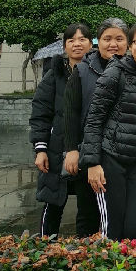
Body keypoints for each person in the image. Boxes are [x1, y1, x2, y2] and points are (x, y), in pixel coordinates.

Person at [81, 20, 136, 242]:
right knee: (113, 230)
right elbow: (94, 119)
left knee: (135, 229)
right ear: (130, 45)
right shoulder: (115, 73)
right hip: (111, 158)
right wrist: (92, 163)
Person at [62, 18, 129, 236]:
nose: (113, 44)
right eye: (107, 39)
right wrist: (72, 149)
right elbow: (71, 112)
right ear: (98, 41)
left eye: (119, 39)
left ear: (127, 42)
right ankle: (86, 254)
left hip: (123, 153)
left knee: (120, 213)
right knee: (88, 212)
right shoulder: (83, 70)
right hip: (90, 150)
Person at [30, 23, 92, 236]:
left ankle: (88, 250)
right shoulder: (54, 75)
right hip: (57, 148)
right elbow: (40, 113)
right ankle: (45, 248)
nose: (77, 44)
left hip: (89, 148)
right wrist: (40, 149)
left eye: (82, 39)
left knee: (88, 208)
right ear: (65, 46)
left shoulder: (98, 73)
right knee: (53, 203)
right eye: (71, 40)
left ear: (91, 44)